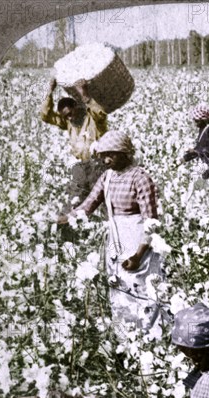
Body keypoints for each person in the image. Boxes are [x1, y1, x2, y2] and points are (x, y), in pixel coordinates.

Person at [58, 130, 165, 331]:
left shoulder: (140, 178)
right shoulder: (107, 178)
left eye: (111, 155)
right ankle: (125, 341)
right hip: (117, 240)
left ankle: (149, 341)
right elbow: (87, 206)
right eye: (103, 155)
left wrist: (138, 255)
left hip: (138, 241)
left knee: (141, 290)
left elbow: (151, 221)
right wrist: (62, 220)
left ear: (125, 153)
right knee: (119, 289)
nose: (106, 160)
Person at [41, 77, 108, 211]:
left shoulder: (92, 118)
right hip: (80, 167)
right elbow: (45, 115)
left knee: (103, 203)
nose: (69, 118)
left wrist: (85, 95)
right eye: (65, 116)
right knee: (74, 203)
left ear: (76, 107)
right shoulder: (68, 122)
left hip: (99, 166)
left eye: (70, 113)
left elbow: (101, 113)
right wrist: (50, 91)